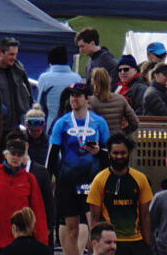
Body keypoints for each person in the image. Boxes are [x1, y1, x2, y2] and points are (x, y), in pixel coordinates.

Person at [50, 86, 111, 255]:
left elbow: (110, 153)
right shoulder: (61, 123)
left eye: (78, 96)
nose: (74, 99)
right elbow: (52, 155)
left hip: (92, 179)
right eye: (71, 96)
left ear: (88, 98)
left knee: (95, 225)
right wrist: (50, 179)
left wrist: (100, 153)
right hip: (68, 180)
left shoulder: (99, 122)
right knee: (71, 228)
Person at [0, 137, 47, 254]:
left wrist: (42, 241)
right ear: (6, 154)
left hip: (22, 243)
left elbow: (38, 212)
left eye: (19, 155)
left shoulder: (30, 179)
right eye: (13, 154)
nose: (15, 158)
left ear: (24, 157)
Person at [86, 134, 152, 255]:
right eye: (115, 153)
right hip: (111, 242)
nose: (119, 156)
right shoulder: (100, 180)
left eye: (123, 153)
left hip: (136, 242)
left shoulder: (140, 179)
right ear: (109, 154)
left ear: (129, 154)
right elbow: (94, 217)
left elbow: (145, 216)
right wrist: (92, 247)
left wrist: (148, 244)